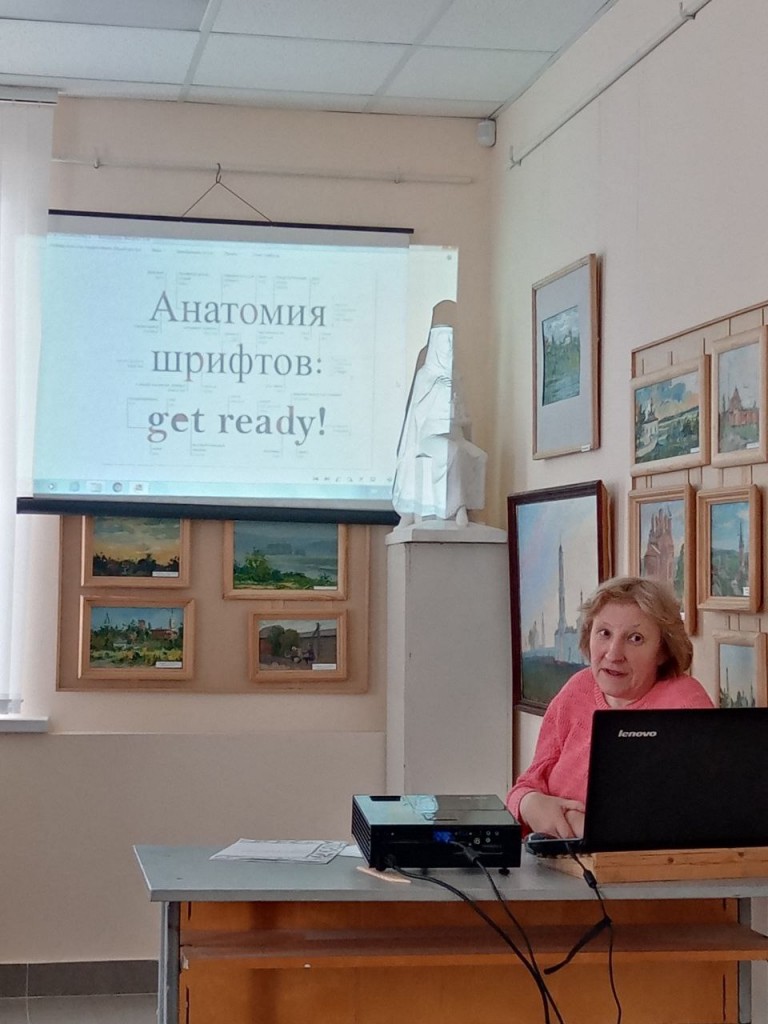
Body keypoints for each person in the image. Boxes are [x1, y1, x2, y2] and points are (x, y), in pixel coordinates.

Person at [506, 575, 714, 840]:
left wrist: (579, 826)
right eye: (604, 633)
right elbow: (528, 783)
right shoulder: (577, 688)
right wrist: (529, 803)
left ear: (663, 651)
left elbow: (686, 820)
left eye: (635, 638)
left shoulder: (685, 704)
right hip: (553, 858)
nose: (614, 654)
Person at [392, 308, 486, 526]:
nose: (448, 347)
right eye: (445, 342)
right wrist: (436, 389)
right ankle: (456, 508)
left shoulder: (456, 376)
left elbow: (464, 416)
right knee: (450, 452)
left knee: (479, 455)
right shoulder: (425, 376)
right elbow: (417, 416)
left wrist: (459, 415)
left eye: (451, 342)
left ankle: (472, 508)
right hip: (429, 438)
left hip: (455, 433)